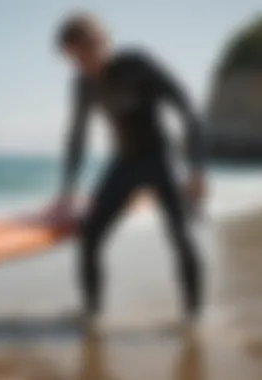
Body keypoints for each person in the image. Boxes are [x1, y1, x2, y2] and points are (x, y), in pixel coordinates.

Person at [51, 12, 206, 324]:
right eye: (76, 58)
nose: (86, 63)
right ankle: (92, 313)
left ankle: (192, 317)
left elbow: (186, 106)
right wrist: (67, 189)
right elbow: (77, 137)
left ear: (103, 41)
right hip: (124, 162)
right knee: (90, 234)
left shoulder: (138, 65)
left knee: (181, 236)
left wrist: (196, 170)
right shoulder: (83, 85)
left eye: (89, 51)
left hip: (162, 159)